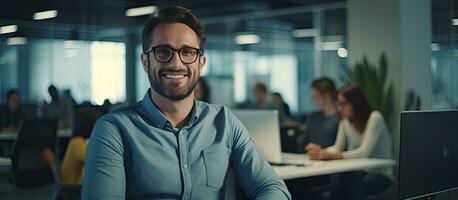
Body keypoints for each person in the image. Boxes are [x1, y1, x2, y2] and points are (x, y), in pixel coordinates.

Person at [83, 6, 291, 200]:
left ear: (201, 63)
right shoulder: (114, 129)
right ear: (145, 61)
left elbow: (272, 188)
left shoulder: (224, 123)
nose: (176, 63)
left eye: (188, 52)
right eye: (163, 52)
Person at [306, 85, 393, 200]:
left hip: (381, 174)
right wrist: (320, 152)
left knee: (352, 188)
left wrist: (331, 155)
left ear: (356, 103)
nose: (339, 108)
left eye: (344, 103)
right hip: (360, 171)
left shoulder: (374, 118)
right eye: (339, 103)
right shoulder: (345, 120)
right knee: (339, 187)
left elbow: (364, 152)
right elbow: (338, 147)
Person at [60, 107, 102, 184]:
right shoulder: (77, 142)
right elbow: (96, 160)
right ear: (89, 126)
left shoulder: (78, 141)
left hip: (76, 188)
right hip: (72, 190)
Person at [302, 77, 339, 149]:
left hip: (332, 156)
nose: (313, 98)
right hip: (311, 157)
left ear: (327, 95)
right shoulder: (313, 117)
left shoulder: (340, 118)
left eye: (315, 95)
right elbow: (305, 141)